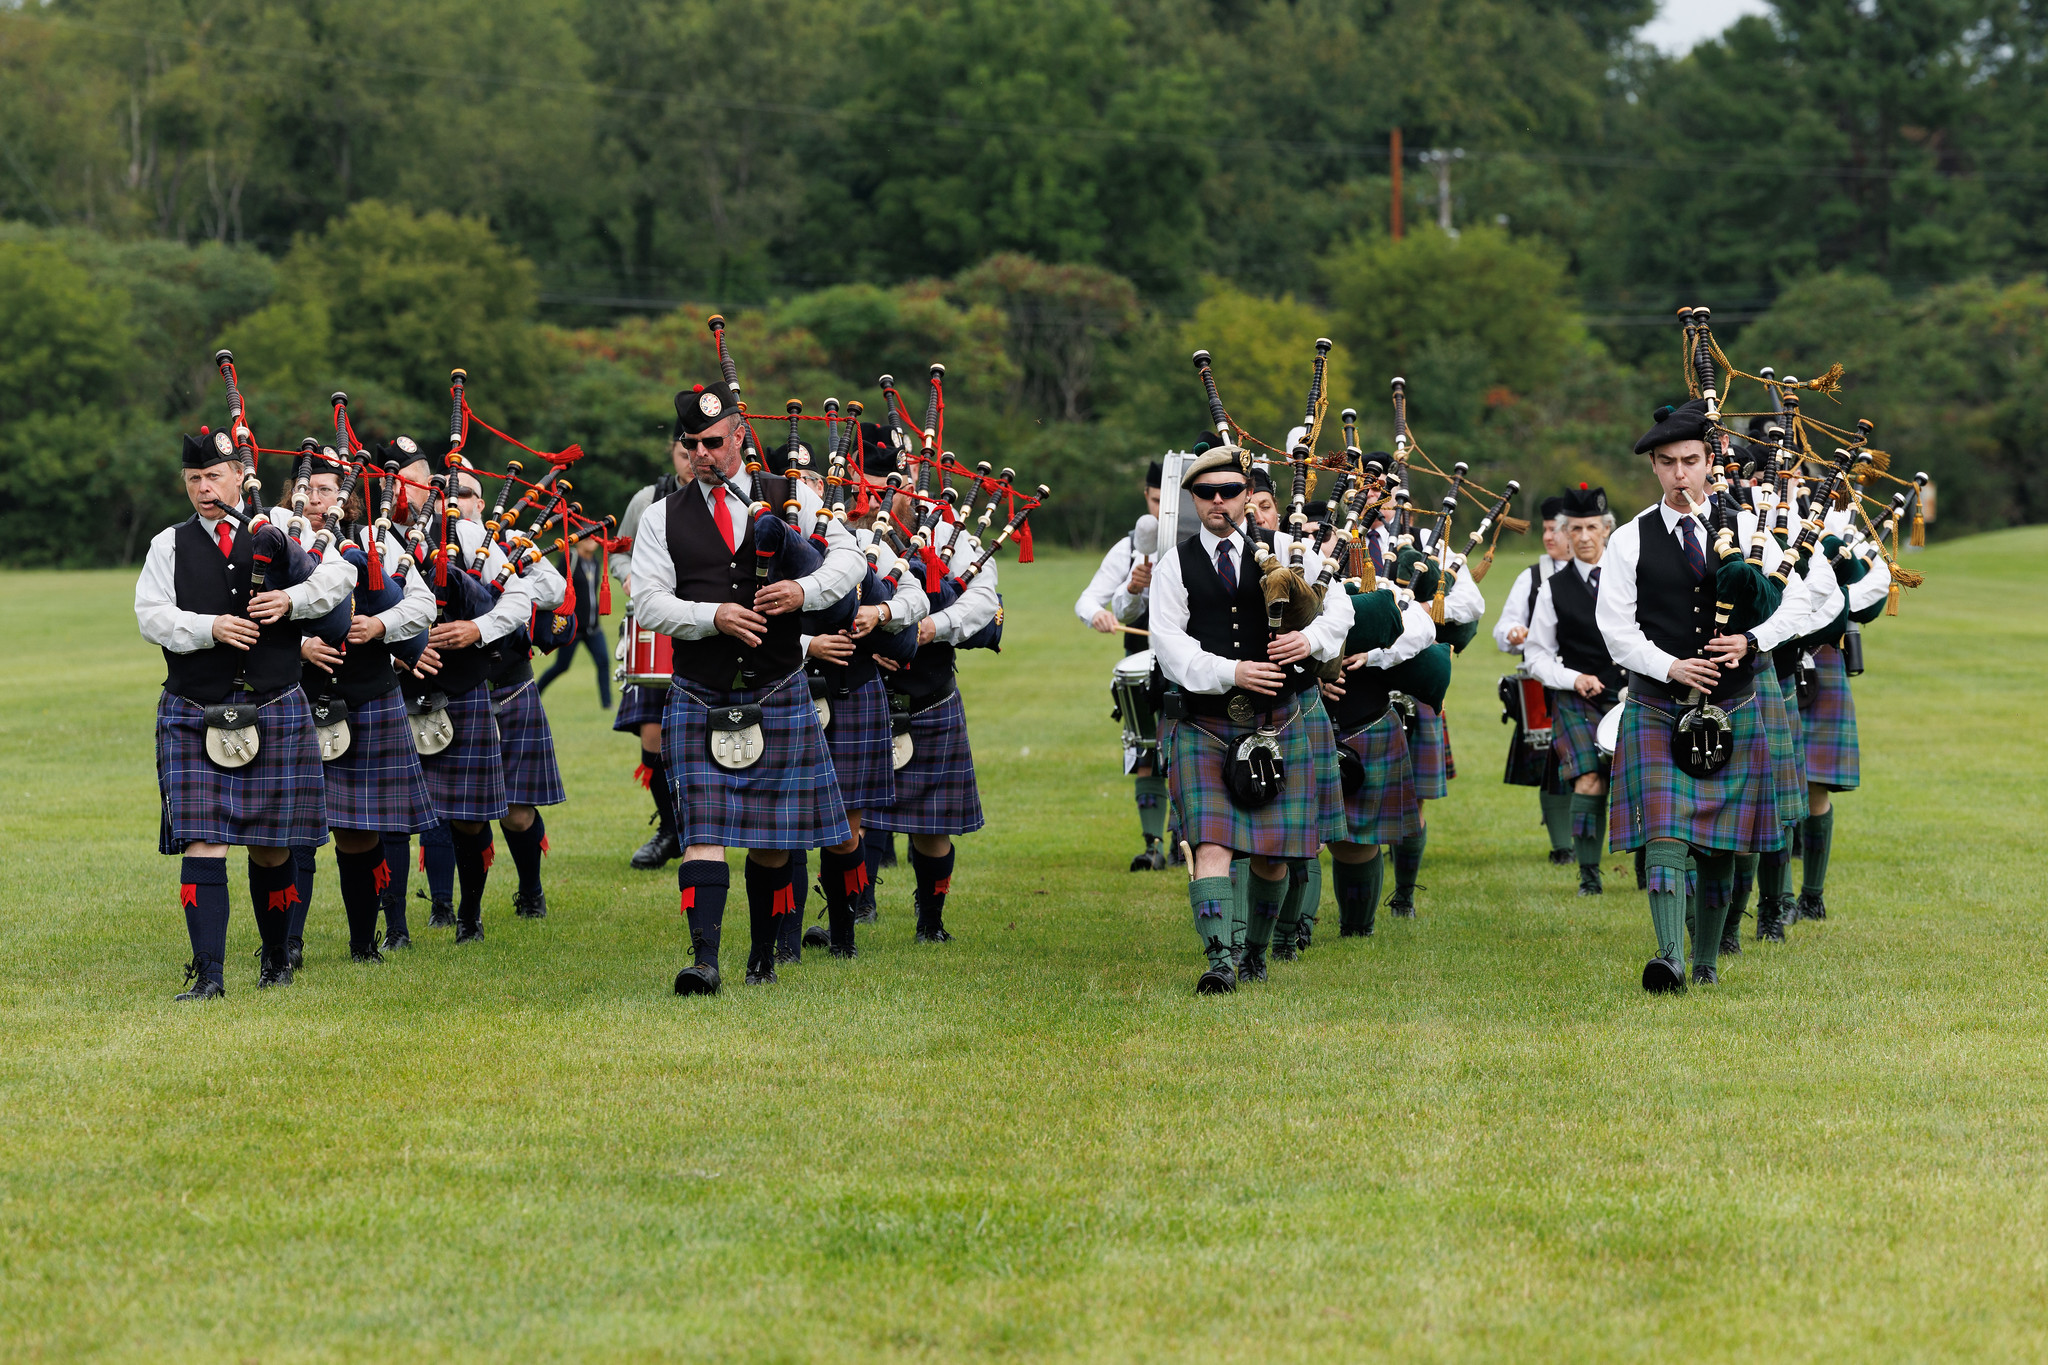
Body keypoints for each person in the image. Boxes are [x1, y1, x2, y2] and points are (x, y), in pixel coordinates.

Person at [630, 381, 865, 993]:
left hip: (777, 685)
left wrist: (803, 593)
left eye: (713, 442)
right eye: (692, 444)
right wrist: (712, 617)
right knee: (703, 831)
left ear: (739, 435)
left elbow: (851, 560)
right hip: (699, 691)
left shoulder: (791, 498)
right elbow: (648, 603)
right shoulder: (661, 517)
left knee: (768, 838)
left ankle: (762, 958)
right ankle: (704, 959)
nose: (703, 455)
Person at [136, 432, 355, 998]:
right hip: (193, 706)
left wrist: (290, 601)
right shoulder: (169, 545)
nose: (204, 489)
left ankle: (277, 960)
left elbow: (339, 580)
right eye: (193, 480)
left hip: (275, 702)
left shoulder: (283, 530)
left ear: (240, 476)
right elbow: (151, 616)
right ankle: (208, 976)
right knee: (202, 840)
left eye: (213, 477)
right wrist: (209, 628)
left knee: (272, 843)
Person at [1597, 399, 1806, 990]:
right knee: (1665, 831)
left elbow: (1799, 603)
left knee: (1720, 845)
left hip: (1734, 702)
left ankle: (1708, 962)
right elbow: (1616, 628)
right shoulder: (1630, 539)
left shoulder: (1750, 529)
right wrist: (1671, 667)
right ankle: (1670, 956)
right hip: (1657, 704)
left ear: (1710, 461)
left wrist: (1751, 639)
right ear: (1656, 469)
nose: (1680, 473)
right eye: (1668, 464)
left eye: (1690, 460)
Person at [1150, 441, 1353, 992]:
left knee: (1273, 857)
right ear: (1193, 499)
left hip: (1278, 721)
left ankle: (1256, 953)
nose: (1219, 501)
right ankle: (1220, 961)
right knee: (1212, 845)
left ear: (1246, 495)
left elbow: (1341, 610)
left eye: (1230, 491)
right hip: (1206, 724)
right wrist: (1232, 672)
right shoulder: (1176, 564)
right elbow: (1168, 645)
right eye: (1206, 493)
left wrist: (1307, 639)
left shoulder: (1288, 549)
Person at [293, 461, 438, 959]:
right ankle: (288, 943)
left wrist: (381, 627)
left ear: (347, 497)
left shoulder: (377, 545)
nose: (314, 498)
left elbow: (422, 606)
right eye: (306, 488)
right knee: (295, 832)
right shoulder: (275, 538)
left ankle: (364, 942)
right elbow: (250, 612)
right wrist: (302, 646)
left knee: (360, 832)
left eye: (326, 489)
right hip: (298, 699)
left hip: (370, 698)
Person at [392, 443, 535, 944]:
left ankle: (470, 915)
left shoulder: (471, 535)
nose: (402, 490)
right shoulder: (371, 539)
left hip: (463, 687)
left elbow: (519, 598)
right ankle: (394, 927)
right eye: (393, 481)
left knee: (470, 820)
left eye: (411, 480)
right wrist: (395, 650)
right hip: (394, 691)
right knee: (389, 819)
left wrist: (479, 629)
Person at [795, 464, 929, 957]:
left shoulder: (862, 540)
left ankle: (842, 932)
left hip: (852, 691)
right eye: (798, 478)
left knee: (847, 825)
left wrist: (882, 612)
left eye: (814, 478)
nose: (808, 487)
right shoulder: (768, 537)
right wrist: (810, 644)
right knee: (782, 823)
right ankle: (783, 933)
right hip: (790, 688)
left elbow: (914, 593)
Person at [864, 484, 1003, 944]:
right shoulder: (847, 527)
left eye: (892, 484)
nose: (882, 493)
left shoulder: (953, 533)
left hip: (930, 695)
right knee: (852, 816)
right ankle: (853, 908)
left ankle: (931, 919)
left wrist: (931, 627)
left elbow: (984, 601)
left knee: (933, 824)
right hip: (862, 690)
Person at [450, 465, 569, 922]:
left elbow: (555, 590)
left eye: (468, 493)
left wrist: (509, 580)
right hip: (458, 691)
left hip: (511, 683)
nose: (458, 500)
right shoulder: (428, 548)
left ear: (483, 503)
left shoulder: (512, 543)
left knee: (517, 812)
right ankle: (464, 910)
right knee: (464, 811)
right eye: (449, 493)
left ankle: (531, 889)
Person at [1521, 485, 1620, 895]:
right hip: (1576, 697)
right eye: (1574, 528)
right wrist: (1571, 678)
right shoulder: (1553, 589)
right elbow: (1536, 656)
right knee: (1588, 779)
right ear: (1564, 533)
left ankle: (1654, 864)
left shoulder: (1628, 579)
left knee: (1643, 781)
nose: (1582, 537)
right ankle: (1589, 876)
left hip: (1632, 695)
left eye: (1591, 528)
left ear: (1606, 530)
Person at [1075, 462, 1169, 869]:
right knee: (1147, 750)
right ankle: (1153, 845)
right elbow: (1087, 600)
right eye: (1154, 501)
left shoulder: (1198, 542)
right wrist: (1101, 611)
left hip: (1199, 660)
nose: (1159, 510)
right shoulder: (1131, 546)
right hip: (1144, 660)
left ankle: (1192, 839)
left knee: (1191, 751)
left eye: (1168, 504)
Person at [1495, 494, 1575, 864]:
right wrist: (1513, 633)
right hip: (1542, 685)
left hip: (1591, 678)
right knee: (1553, 767)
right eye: (1545, 530)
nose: (1548, 537)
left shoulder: (1606, 572)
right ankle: (1563, 847)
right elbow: (1504, 626)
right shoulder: (1531, 575)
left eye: (1556, 530)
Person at [613, 470, 684, 869]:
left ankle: (704, 831)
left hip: (712, 627)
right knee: (652, 737)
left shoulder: (737, 494)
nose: (695, 458)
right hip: (654, 630)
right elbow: (619, 552)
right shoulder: (648, 499)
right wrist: (628, 577)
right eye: (686, 449)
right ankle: (671, 829)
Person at [538, 537, 612, 708]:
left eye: (594, 538)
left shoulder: (594, 561)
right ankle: (536, 691)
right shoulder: (569, 559)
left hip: (593, 627)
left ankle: (607, 705)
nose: (591, 542)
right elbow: (555, 585)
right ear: (578, 540)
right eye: (587, 538)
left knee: (603, 662)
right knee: (561, 666)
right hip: (573, 628)